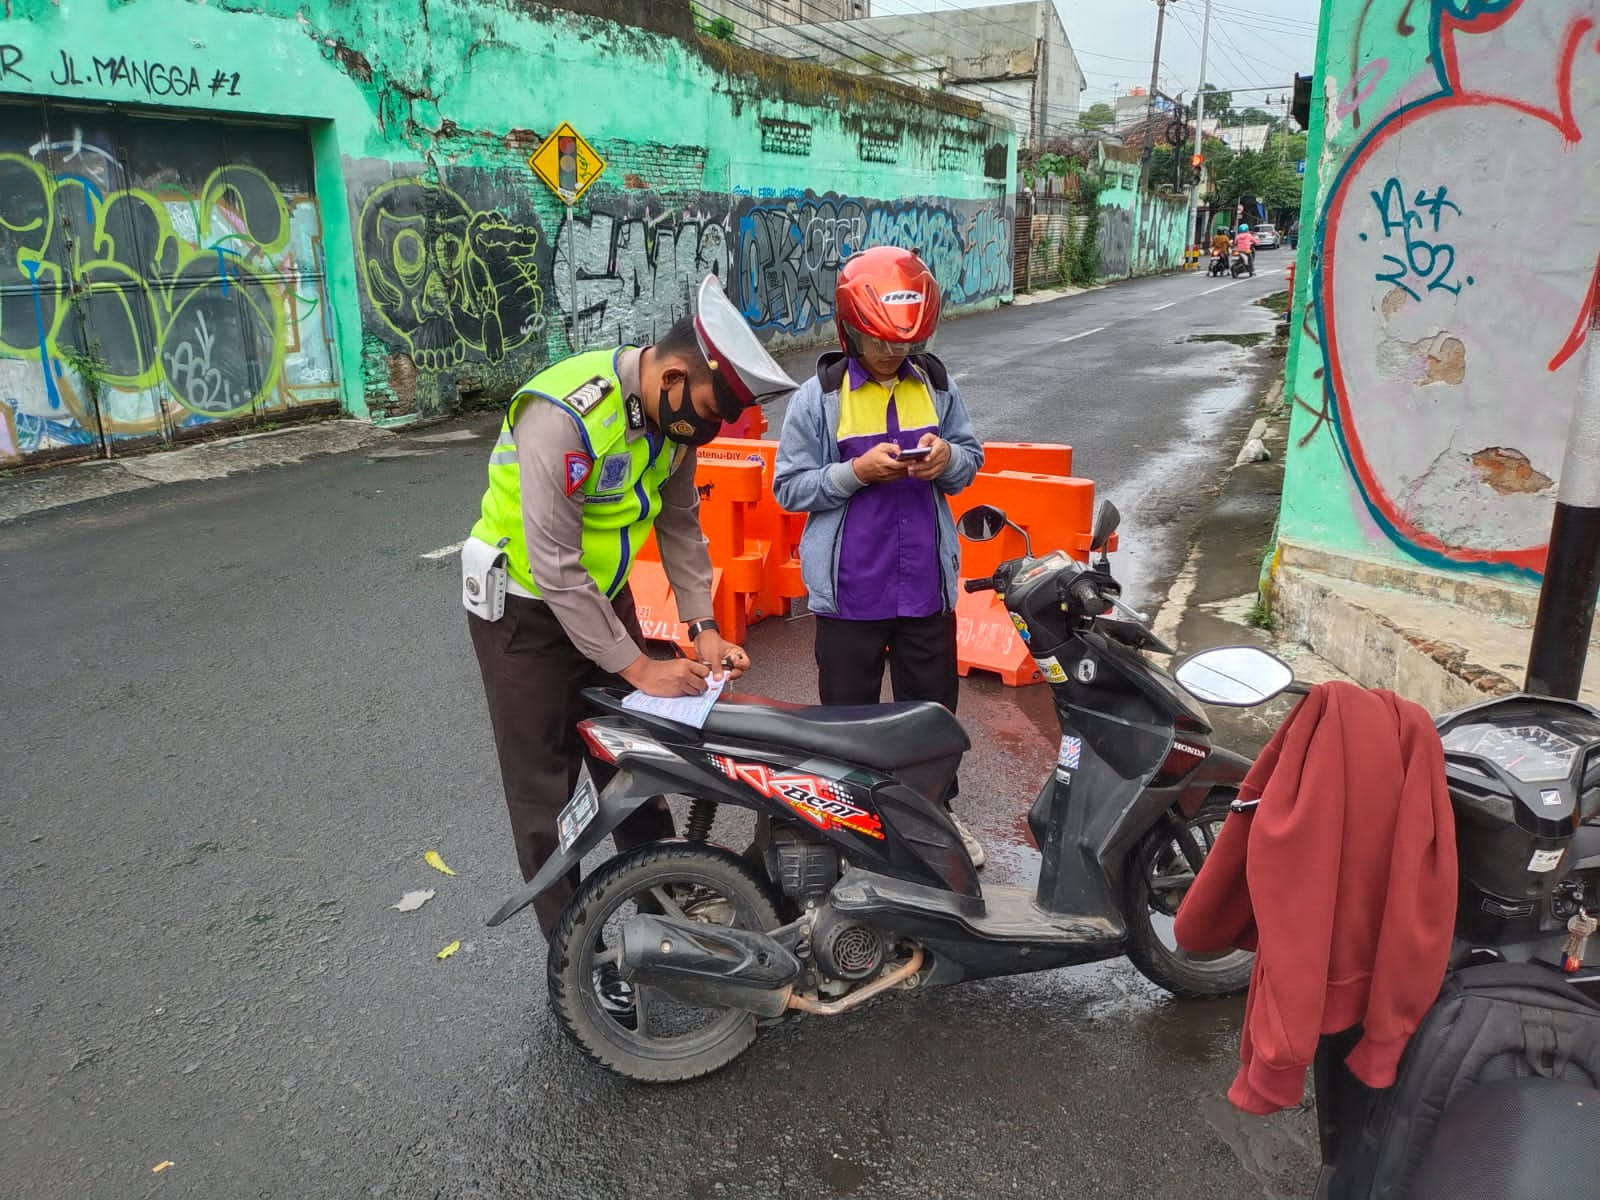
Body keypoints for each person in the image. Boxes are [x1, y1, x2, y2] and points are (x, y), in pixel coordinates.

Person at [463, 274, 799, 945]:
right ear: (672, 373)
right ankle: (573, 950)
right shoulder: (564, 416)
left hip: (601, 601)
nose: (707, 429)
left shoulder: (674, 422)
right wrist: (639, 668)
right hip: (523, 613)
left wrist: (701, 629)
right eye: (707, 410)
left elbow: (680, 524)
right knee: (545, 787)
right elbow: (556, 566)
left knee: (636, 757)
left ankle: (666, 909)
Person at [773, 246, 989, 866]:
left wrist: (950, 462)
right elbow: (790, 487)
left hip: (925, 590)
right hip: (850, 595)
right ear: (851, 330)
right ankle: (848, 832)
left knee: (931, 719)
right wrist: (854, 473)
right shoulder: (818, 399)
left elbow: (971, 460)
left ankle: (937, 816)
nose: (894, 354)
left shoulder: (937, 385)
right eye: (880, 342)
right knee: (846, 724)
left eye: (906, 342)